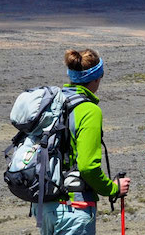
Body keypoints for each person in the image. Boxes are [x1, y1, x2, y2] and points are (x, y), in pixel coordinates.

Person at [38, 48, 132, 235]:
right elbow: (88, 166)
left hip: (46, 205)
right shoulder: (89, 110)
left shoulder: (54, 103)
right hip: (74, 208)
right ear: (97, 77)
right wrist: (113, 189)